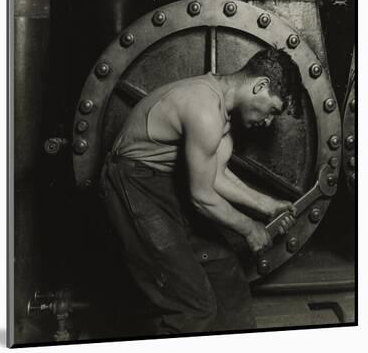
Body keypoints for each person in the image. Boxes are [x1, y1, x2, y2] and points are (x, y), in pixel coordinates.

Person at [98, 47, 302, 336]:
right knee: (194, 305)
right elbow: (202, 196)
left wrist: (268, 205)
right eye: (272, 111)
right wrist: (249, 228)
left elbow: (215, 174)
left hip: (164, 182)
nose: (268, 122)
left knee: (225, 275)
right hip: (133, 184)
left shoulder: (223, 115)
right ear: (260, 85)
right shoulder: (205, 108)